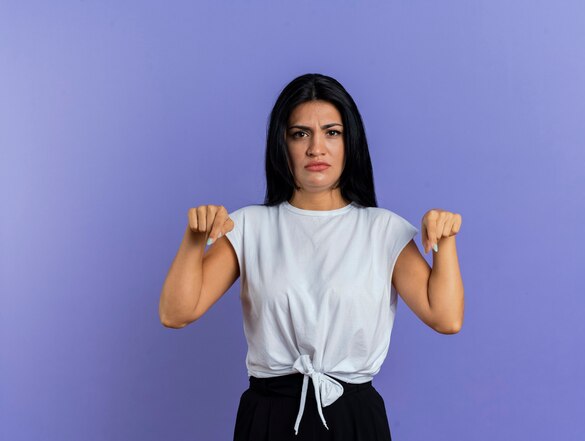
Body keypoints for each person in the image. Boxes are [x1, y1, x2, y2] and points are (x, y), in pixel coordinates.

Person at [159, 73, 465, 440]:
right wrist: (195, 238)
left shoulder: (384, 230)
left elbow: (446, 318)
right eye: (300, 133)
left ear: (350, 142)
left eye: (332, 133)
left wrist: (445, 241)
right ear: (281, 144)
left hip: (354, 417)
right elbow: (175, 313)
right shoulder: (249, 226)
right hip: (269, 414)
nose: (316, 148)